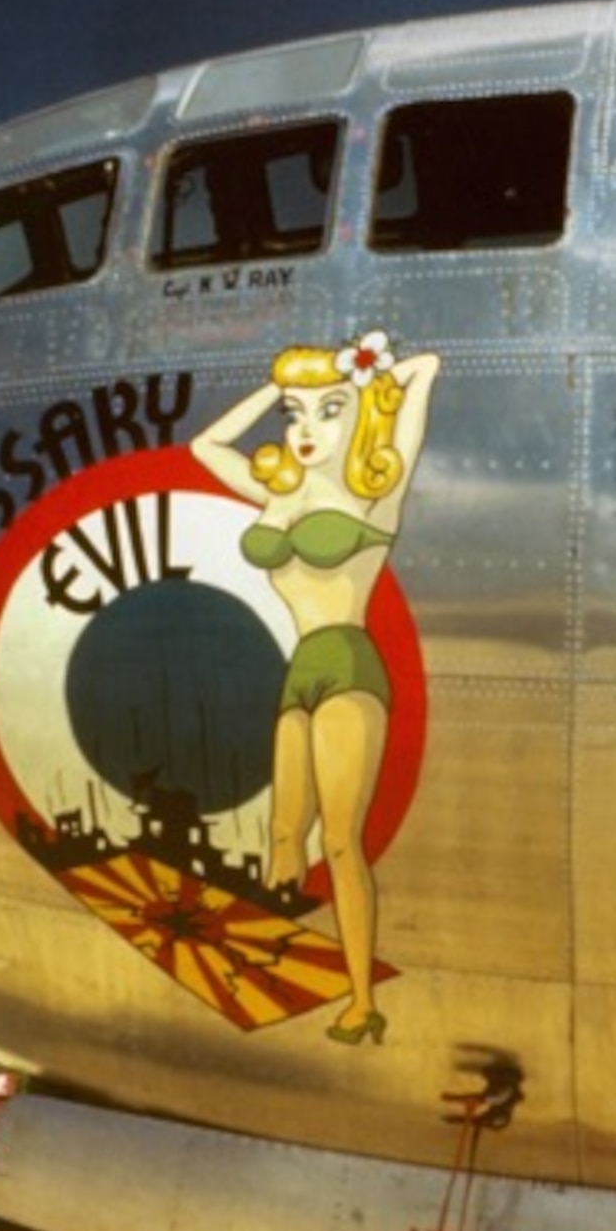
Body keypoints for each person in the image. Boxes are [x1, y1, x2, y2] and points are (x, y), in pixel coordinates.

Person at [190, 330, 440, 1045]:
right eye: (293, 417)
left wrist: (367, 381)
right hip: (299, 670)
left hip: (350, 668)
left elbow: (423, 368)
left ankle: (361, 1002)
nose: (303, 430)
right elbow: (206, 449)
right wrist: (281, 384)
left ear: (358, 417)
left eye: (325, 413)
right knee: (278, 837)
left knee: (339, 843)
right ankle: (277, 967)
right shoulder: (283, 491)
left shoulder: (376, 495)